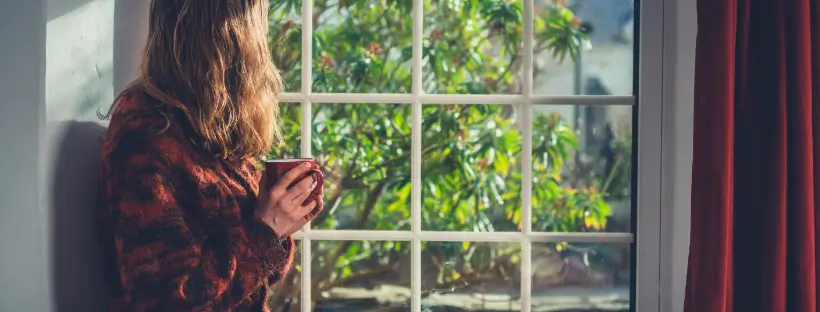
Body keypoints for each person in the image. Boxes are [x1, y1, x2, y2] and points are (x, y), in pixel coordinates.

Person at [96, 0, 323, 311]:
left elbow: (252, 279)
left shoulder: (202, 125)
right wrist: (266, 229)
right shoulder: (147, 136)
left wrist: (277, 220)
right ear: (231, 36)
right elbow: (166, 303)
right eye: (257, 26)